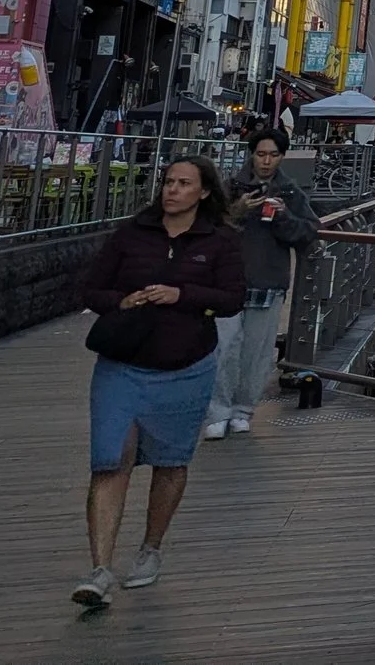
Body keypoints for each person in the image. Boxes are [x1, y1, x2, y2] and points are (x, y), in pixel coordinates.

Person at [72, 156, 246, 606]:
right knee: (111, 459)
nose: (172, 190)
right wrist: (122, 300)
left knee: (171, 461)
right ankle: (100, 569)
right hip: (122, 364)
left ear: (203, 192)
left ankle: (151, 549)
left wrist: (182, 295)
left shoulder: (220, 242)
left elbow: (231, 299)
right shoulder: (132, 234)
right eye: (168, 182)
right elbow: (91, 290)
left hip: (186, 366)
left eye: (184, 184)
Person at [204, 130, 317, 440]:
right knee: (224, 348)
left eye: (273, 155)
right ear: (251, 154)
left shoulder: (290, 193)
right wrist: (237, 212)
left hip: (268, 281)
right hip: (227, 281)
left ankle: (243, 410)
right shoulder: (228, 188)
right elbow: (208, 228)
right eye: (261, 154)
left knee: (257, 352)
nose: (266, 161)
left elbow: (307, 232)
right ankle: (217, 411)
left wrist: (283, 216)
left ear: (281, 157)